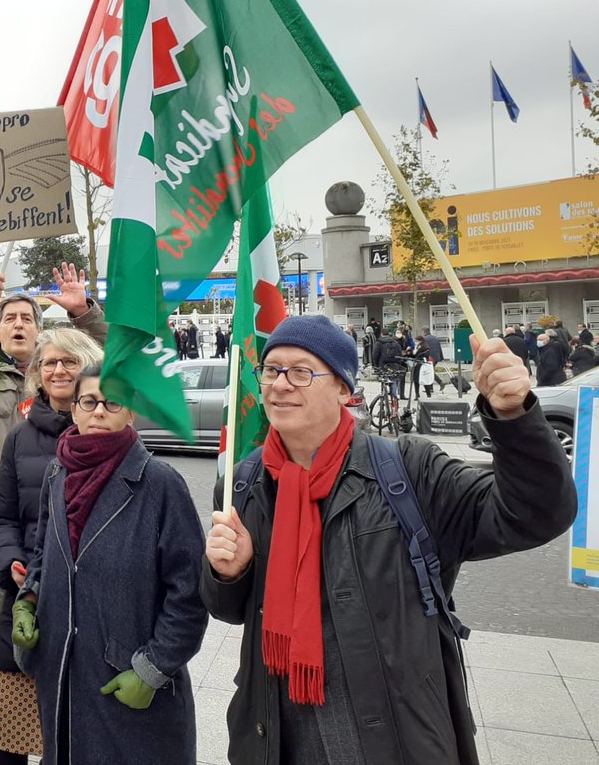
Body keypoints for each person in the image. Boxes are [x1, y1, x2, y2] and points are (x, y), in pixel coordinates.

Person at [202, 315, 576, 764]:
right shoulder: (246, 482)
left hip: (392, 737)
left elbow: (534, 515)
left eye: (301, 372)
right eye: (271, 370)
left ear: (343, 388)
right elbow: (229, 610)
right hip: (276, 736)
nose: (280, 384)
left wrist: (514, 417)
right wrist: (229, 572)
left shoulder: (409, 470)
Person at [12, 364, 209, 764]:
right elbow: (43, 554)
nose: (99, 411)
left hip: (125, 684)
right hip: (65, 676)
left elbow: (190, 594)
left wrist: (152, 669)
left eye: (112, 402)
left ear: (131, 411)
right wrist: (28, 598)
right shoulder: (57, 472)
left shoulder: (159, 483)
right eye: (89, 401)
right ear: (76, 410)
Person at [0, 263, 106, 647]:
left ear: (40, 331)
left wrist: (82, 313)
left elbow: (112, 358)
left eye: (27, 317)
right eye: (9, 318)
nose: (19, 324)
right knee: (7, 631)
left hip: (68, 512)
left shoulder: (67, 371)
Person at [0, 328, 103, 765]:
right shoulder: (19, 437)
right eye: (49, 362)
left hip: (87, 610)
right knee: (9, 743)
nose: (58, 370)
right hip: (26, 604)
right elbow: (2, 517)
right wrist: (8, 561)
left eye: (69, 361)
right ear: (36, 372)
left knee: (76, 738)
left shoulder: (105, 433)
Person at [371, 328, 406, 398]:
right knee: (394, 380)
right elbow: (400, 354)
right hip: (394, 364)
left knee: (384, 380)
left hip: (383, 364)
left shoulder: (379, 343)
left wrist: (375, 365)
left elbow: (375, 355)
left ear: (381, 333)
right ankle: (394, 398)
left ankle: (384, 397)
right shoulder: (395, 342)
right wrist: (398, 363)